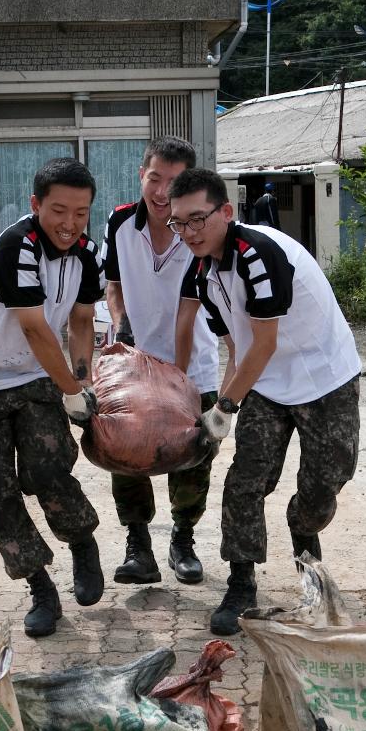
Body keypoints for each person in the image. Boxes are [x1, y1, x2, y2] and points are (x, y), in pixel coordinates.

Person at [170, 167, 361, 636]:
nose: (189, 232)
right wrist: (227, 402)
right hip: (269, 385)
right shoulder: (202, 273)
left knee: (324, 486)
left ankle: (304, 536)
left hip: (325, 378)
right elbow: (238, 346)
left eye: (198, 219)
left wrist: (224, 408)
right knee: (244, 482)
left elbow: (265, 341)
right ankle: (240, 584)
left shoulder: (257, 253)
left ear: (226, 212)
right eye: (179, 223)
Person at [0, 157, 103, 639]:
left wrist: (83, 376)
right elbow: (36, 329)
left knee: (48, 468)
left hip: (36, 378)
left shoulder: (87, 254)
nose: (70, 223)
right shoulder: (17, 247)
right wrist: (70, 391)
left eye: (81, 213)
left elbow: (80, 322)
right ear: (36, 205)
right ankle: (40, 588)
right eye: (59, 210)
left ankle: (82, 543)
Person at [101, 137, 219, 585]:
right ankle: (138, 548)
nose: (161, 191)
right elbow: (113, 283)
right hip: (132, 366)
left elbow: (197, 308)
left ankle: (183, 540)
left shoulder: (198, 232)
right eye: (155, 178)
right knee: (123, 452)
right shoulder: (118, 223)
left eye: (174, 182)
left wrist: (179, 373)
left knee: (193, 457)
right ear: (141, 176)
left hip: (194, 368)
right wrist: (121, 323)